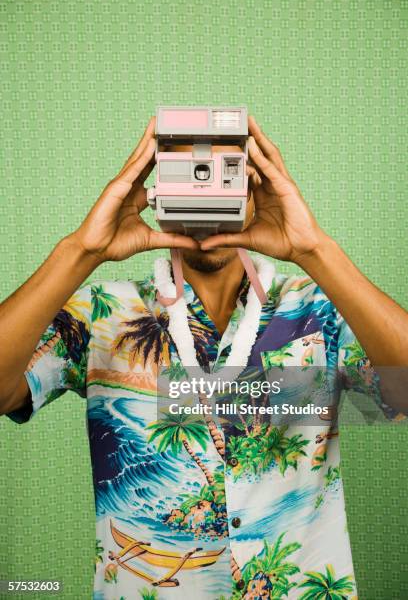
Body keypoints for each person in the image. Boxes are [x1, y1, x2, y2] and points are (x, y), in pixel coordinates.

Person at [0, 115, 407, 600]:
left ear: (255, 190)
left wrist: (315, 249)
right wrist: (81, 250)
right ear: (153, 194)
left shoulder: (320, 309)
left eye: (224, 176)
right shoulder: (101, 312)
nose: (204, 193)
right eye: (185, 176)